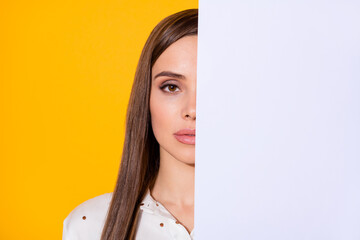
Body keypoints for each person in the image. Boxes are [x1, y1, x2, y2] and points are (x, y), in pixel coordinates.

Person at [62, 9, 198, 240]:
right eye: (171, 87)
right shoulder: (89, 225)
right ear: (146, 97)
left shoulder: (276, 217)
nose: (192, 110)